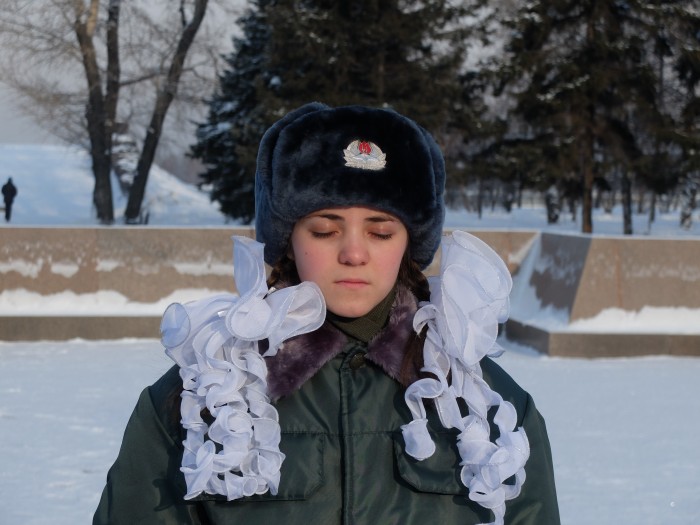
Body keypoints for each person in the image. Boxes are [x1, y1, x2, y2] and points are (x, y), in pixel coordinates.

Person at [94, 103, 560, 525]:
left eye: (380, 233)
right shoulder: (197, 402)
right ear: (288, 240)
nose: (354, 254)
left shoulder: (488, 410)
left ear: (410, 245)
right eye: (323, 230)